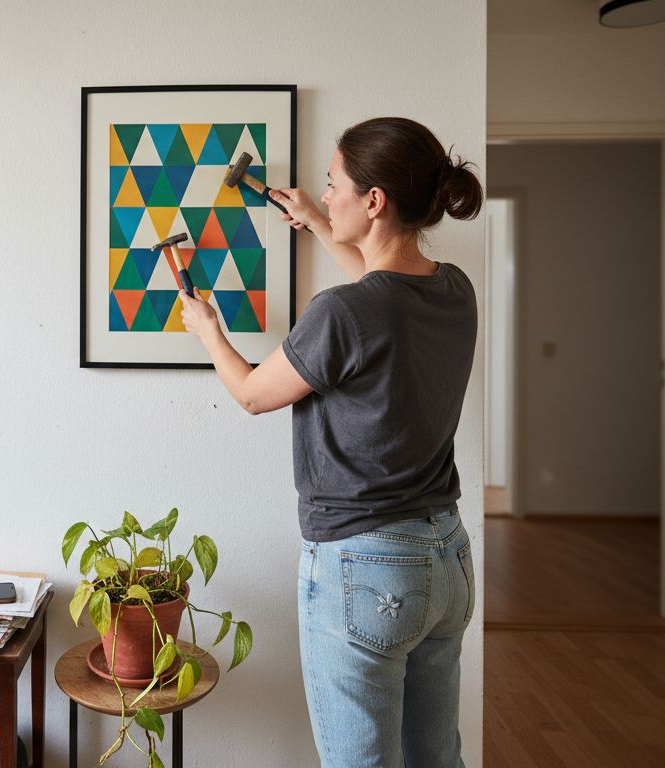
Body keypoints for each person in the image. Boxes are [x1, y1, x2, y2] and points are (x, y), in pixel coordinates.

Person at [179, 116, 482, 767]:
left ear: (374, 201)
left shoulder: (341, 313)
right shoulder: (455, 290)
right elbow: (384, 289)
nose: (328, 192)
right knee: (436, 759)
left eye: (333, 184)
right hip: (446, 557)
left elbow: (255, 393)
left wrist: (207, 329)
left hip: (366, 564)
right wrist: (319, 220)